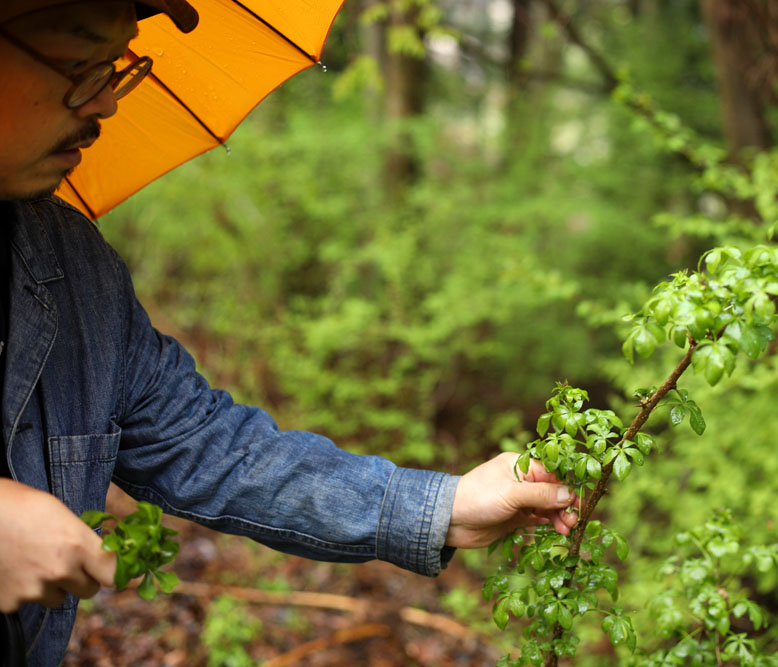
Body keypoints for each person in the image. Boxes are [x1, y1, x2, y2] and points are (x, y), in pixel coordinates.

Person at [0, 1, 579, 663]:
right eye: (79, 65)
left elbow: (208, 443)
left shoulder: (74, 271)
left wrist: (445, 504)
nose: (106, 103)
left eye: (115, 68)